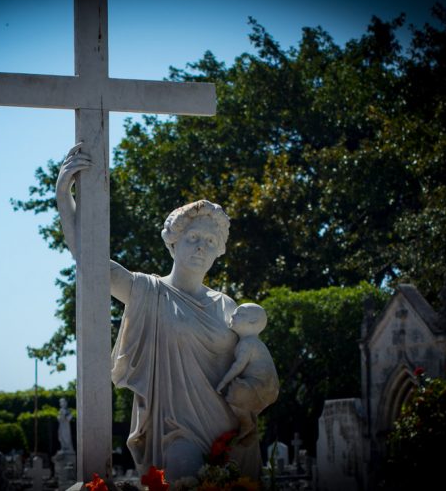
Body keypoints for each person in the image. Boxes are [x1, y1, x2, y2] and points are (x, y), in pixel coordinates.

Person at [56, 145, 264, 481]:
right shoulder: (148, 292)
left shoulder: (229, 307)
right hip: (176, 432)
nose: (201, 247)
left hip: (231, 433)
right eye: (193, 238)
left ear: (219, 251)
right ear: (173, 242)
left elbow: (258, 371)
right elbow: (91, 259)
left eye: (210, 242)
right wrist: (64, 197)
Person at [216, 303, 279, 446]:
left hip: (261, 385)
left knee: (234, 392)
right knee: (243, 401)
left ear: (253, 322)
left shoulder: (247, 343)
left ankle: (246, 424)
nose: (233, 315)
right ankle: (250, 427)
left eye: (240, 314)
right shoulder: (253, 343)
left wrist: (223, 382)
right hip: (269, 388)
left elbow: (238, 366)